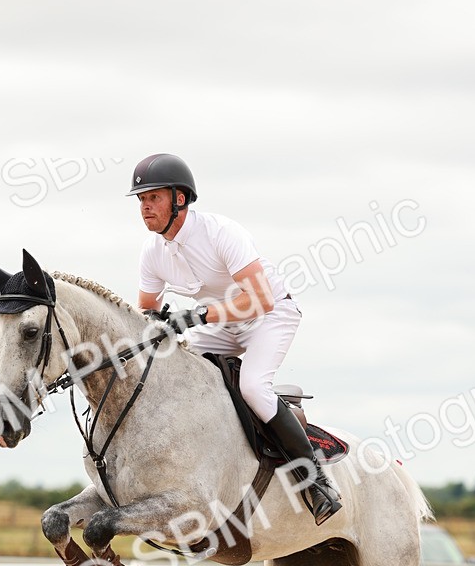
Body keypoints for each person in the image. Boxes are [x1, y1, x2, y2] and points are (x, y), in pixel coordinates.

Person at [128, 152, 342, 526]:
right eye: (142, 200)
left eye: (154, 198)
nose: (146, 207)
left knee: (254, 388)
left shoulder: (221, 232)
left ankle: (316, 482)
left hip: (270, 314)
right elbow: (146, 308)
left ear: (180, 199)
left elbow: (260, 299)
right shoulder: (153, 252)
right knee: (182, 377)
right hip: (222, 323)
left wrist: (196, 315)